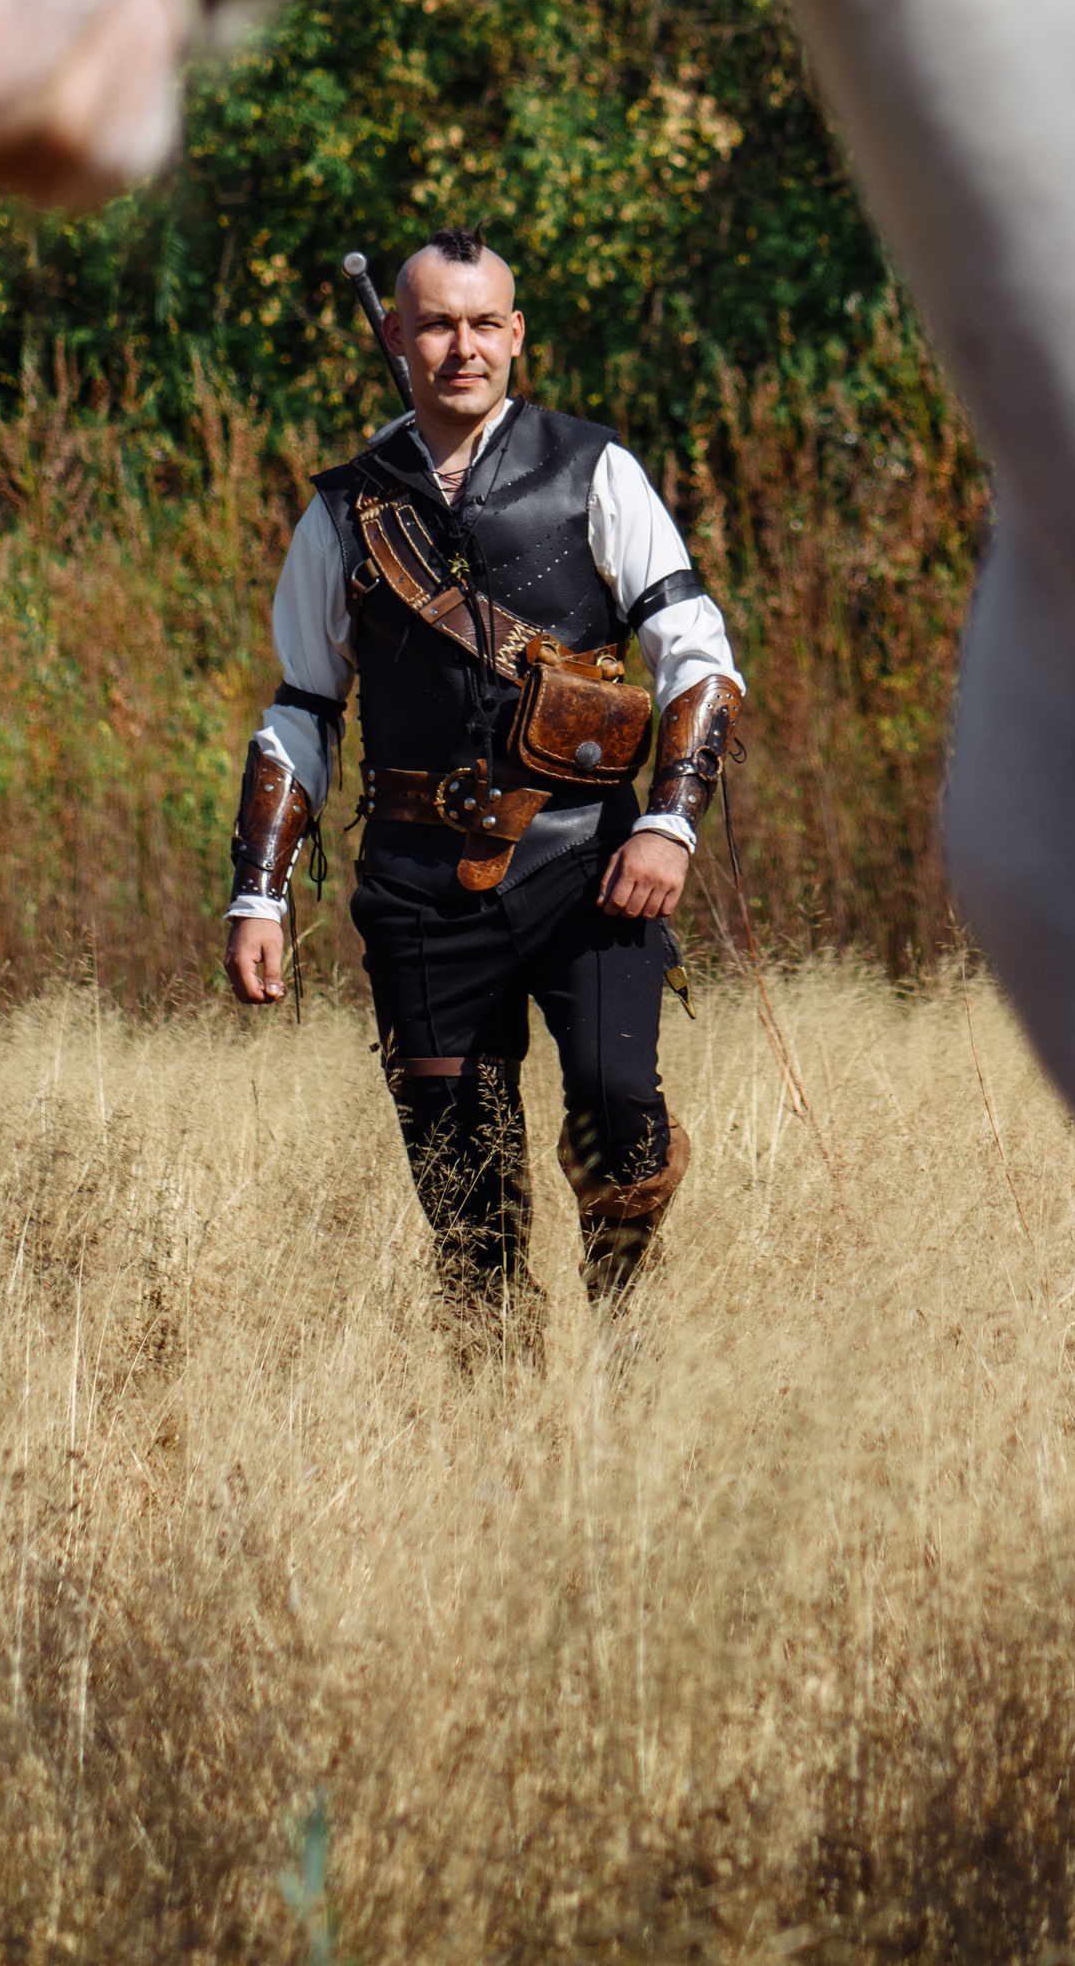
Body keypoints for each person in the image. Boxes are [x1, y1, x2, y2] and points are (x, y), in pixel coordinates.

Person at [223, 226, 742, 1345]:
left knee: (617, 1110)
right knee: (465, 1192)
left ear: (516, 336)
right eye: (437, 325)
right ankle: (495, 1420)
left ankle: (624, 1336)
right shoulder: (344, 510)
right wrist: (259, 895)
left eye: (482, 324)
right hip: (417, 885)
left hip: (593, 870)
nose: (462, 347)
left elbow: (695, 653)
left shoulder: (594, 468)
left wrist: (667, 828)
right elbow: (303, 710)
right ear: (395, 335)